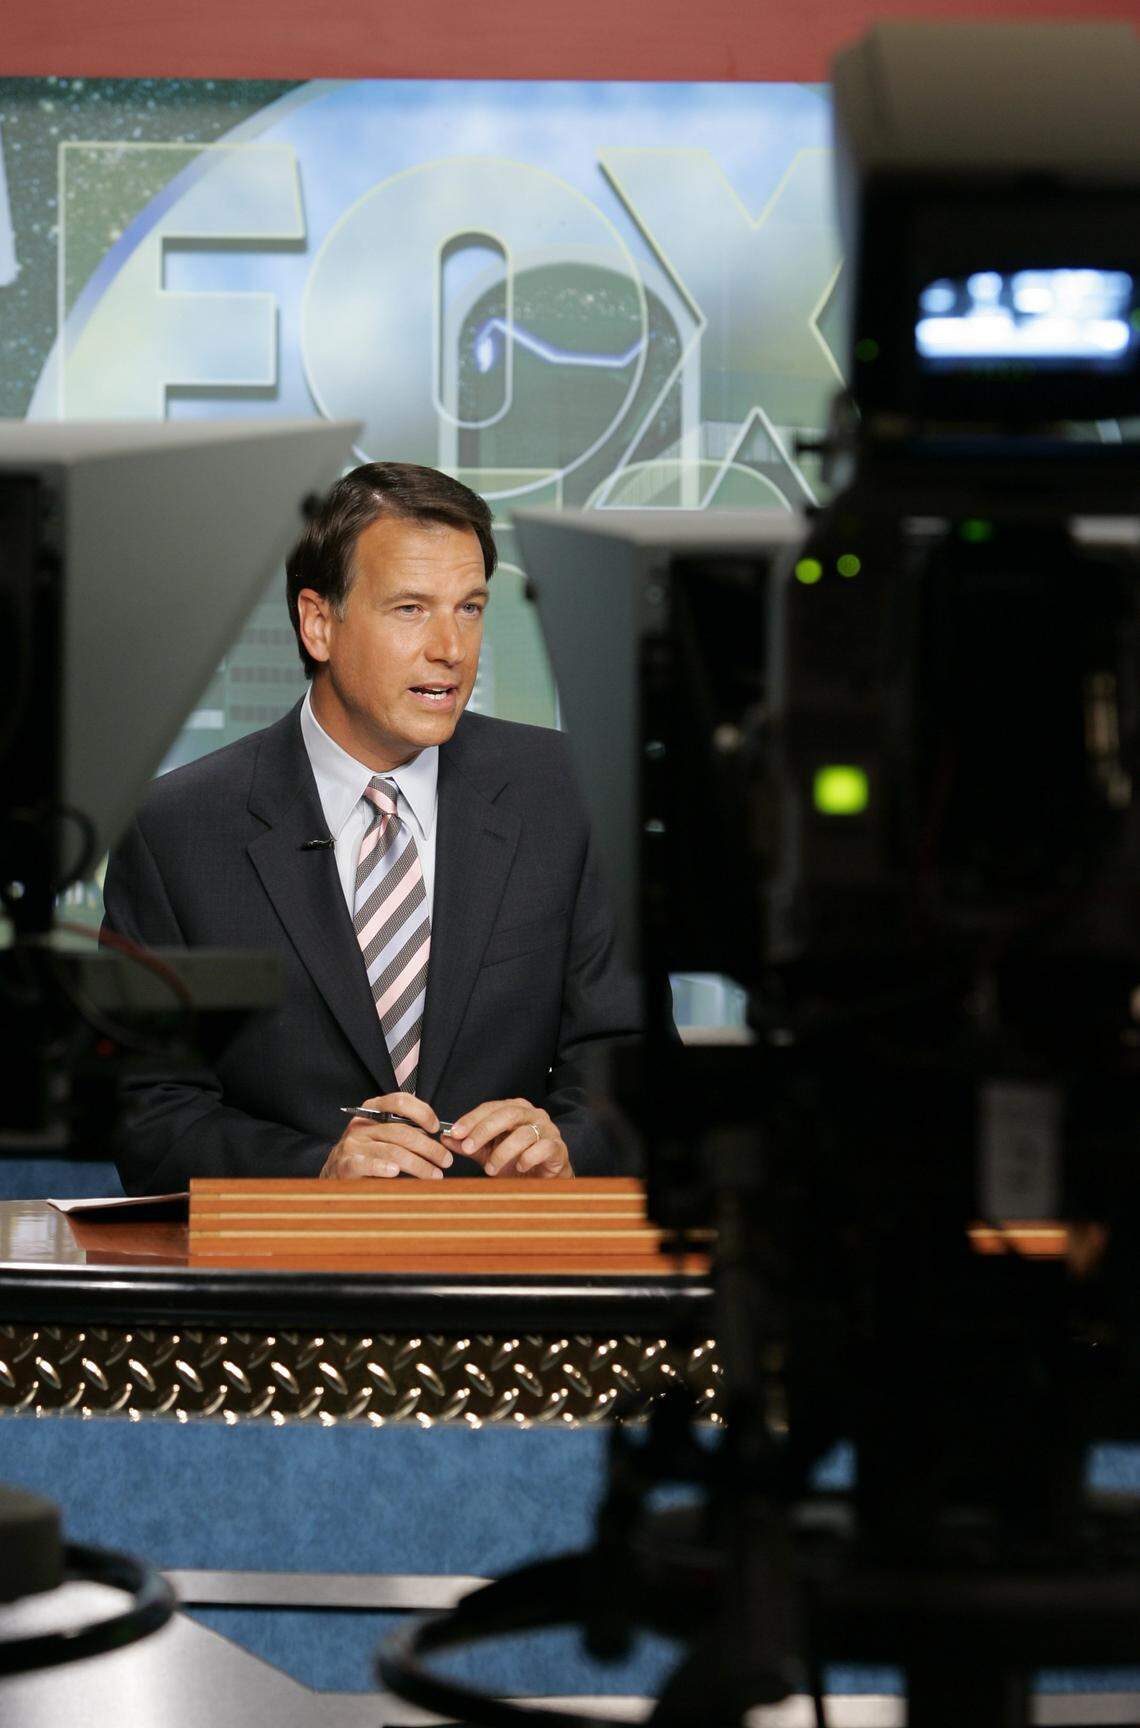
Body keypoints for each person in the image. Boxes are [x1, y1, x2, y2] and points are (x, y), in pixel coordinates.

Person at [102, 462, 641, 1193]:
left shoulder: (566, 792)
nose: (451, 648)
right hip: (290, 1287)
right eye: (411, 609)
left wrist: (569, 1145)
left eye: (471, 607)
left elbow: (630, 1058)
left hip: (510, 1268)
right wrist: (316, 1169)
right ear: (319, 623)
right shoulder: (178, 831)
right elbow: (149, 1114)